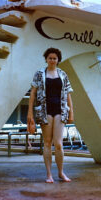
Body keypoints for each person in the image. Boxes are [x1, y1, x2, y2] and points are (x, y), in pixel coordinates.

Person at [27, 47, 74, 183]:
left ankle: (60, 172)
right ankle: (49, 174)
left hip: (60, 110)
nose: (52, 60)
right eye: (50, 58)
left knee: (58, 144)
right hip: (44, 111)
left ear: (58, 60)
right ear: (46, 59)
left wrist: (72, 112)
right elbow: (33, 93)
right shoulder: (39, 74)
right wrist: (30, 112)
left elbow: (68, 94)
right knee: (47, 143)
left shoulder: (63, 74)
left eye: (55, 58)